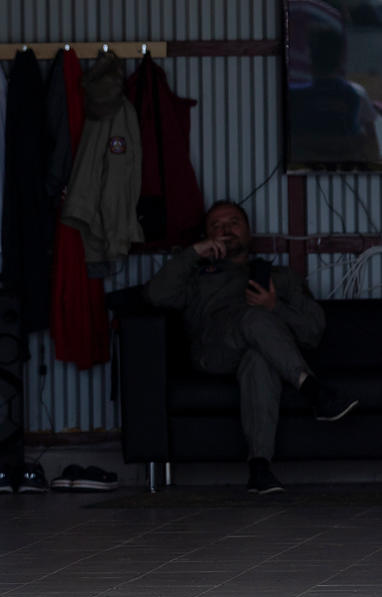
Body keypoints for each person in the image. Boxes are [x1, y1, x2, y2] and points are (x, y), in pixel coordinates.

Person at [144, 199, 357, 493]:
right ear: (207, 236)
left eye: (233, 223)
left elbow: (313, 331)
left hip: (258, 351)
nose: (225, 230)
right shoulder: (197, 277)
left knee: (258, 358)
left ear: (249, 231)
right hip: (214, 352)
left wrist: (275, 307)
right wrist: (194, 252)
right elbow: (155, 295)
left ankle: (259, 467)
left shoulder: (279, 278)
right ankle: (312, 389)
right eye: (216, 226)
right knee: (253, 317)